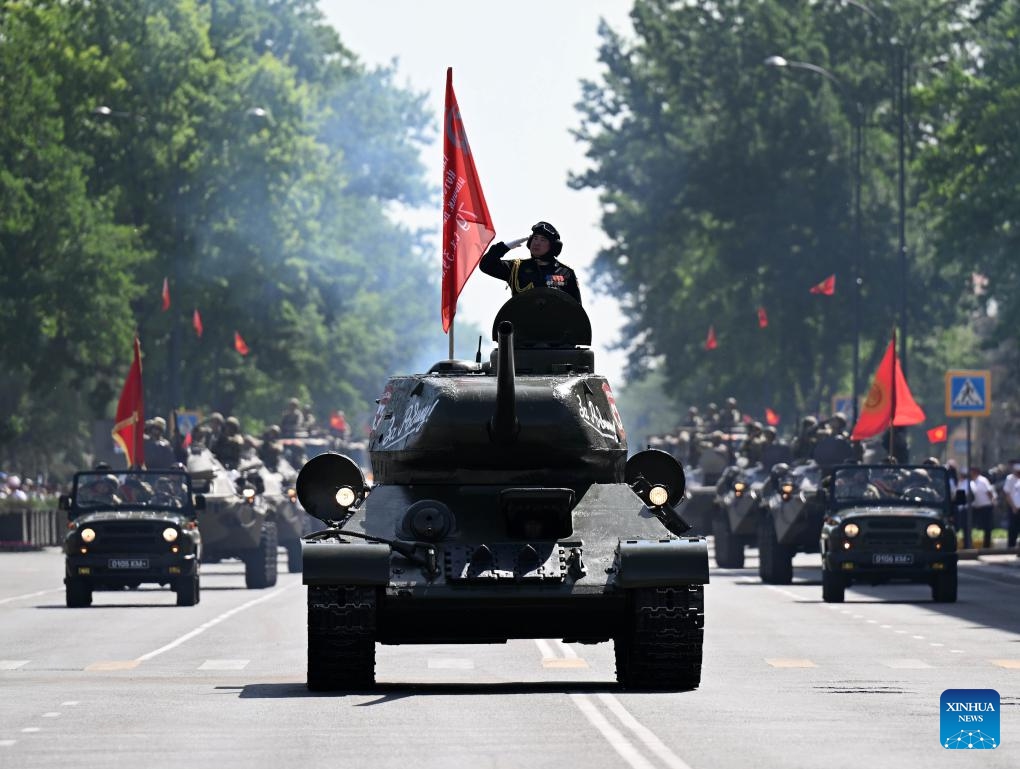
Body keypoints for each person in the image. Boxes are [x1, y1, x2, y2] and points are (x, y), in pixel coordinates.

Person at [479, 221, 581, 304]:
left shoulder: (565, 273)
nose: (537, 243)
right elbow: (486, 265)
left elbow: (577, 310)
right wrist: (504, 247)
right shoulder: (516, 268)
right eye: (535, 238)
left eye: (543, 240)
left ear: (553, 246)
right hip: (522, 326)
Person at [965, 466, 997, 549]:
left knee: (987, 527)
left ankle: (987, 545)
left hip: (986, 506)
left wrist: (993, 502)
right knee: (972, 526)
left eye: (971, 471)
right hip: (977, 507)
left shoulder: (982, 480)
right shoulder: (972, 481)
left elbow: (989, 492)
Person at [1001, 463, 1020, 551]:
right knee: (1013, 528)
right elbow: (1007, 493)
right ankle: (1011, 546)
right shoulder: (1010, 478)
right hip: (1014, 507)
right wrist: (1013, 506)